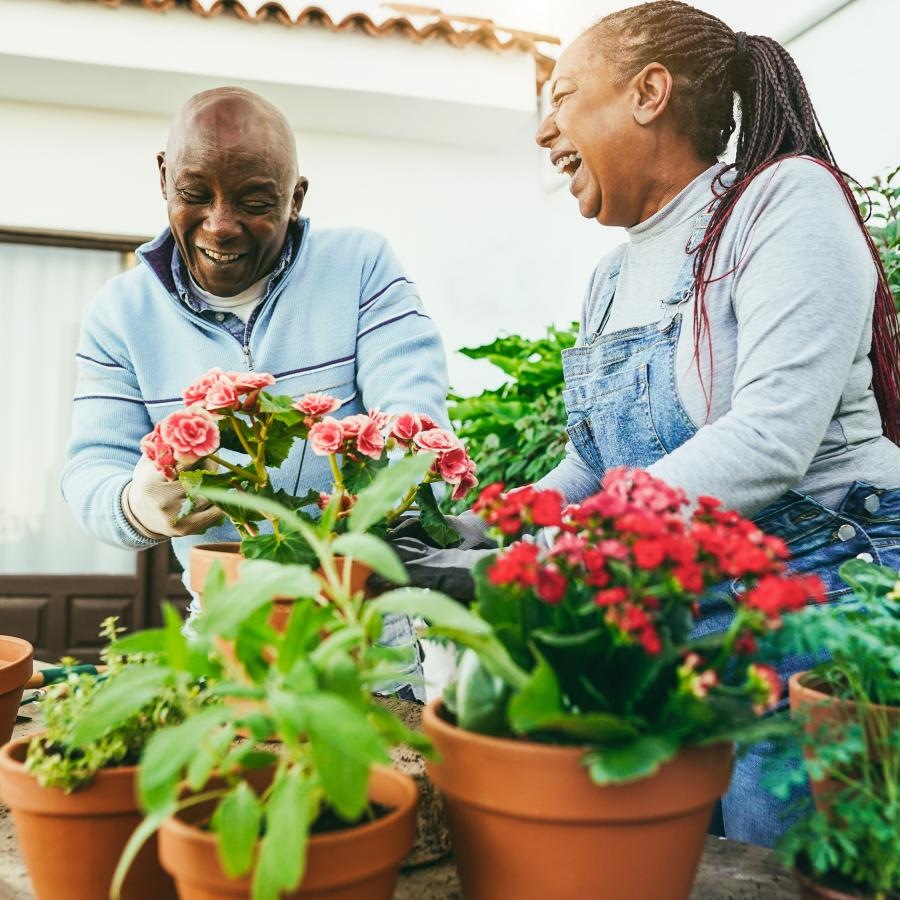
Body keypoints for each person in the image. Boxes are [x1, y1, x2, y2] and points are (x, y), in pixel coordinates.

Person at [395, 0, 900, 845]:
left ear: (648, 92)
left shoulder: (785, 204)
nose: (542, 130)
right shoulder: (608, 281)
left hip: (821, 602)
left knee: (770, 858)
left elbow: (768, 440)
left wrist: (543, 555)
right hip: (686, 621)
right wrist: (474, 530)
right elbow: (591, 469)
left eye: (560, 97)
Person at [61, 87, 451, 701]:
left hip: (363, 631)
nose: (220, 224)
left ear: (296, 197)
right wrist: (138, 504)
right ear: (163, 178)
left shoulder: (360, 266)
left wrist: (378, 496)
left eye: (254, 201)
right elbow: (88, 471)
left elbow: (416, 422)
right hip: (220, 630)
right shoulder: (119, 314)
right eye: (194, 194)